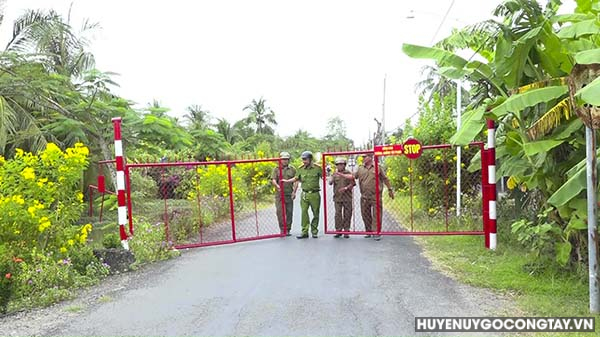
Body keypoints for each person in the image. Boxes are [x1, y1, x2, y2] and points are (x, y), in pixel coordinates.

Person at [340, 153, 394, 241]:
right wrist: (342, 174)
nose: (363, 158)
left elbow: (385, 178)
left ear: (370, 157)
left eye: (365, 157)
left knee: (377, 214)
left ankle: (376, 232)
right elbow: (353, 176)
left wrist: (390, 189)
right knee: (365, 214)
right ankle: (368, 231)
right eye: (363, 157)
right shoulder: (361, 168)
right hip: (364, 195)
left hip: (376, 195)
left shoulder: (377, 167)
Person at [283, 151, 322, 239]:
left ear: (310, 159)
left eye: (305, 159)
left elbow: (324, 177)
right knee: (304, 212)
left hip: (314, 194)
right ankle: (304, 231)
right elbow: (296, 178)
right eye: (303, 159)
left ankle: (314, 231)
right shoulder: (300, 169)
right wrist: (287, 181)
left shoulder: (317, 168)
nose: (304, 161)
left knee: (315, 213)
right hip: (304, 194)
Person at [271, 151, 297, 236]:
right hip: (279, 195)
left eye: (286, 159)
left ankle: (288, 229)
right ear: (280, 160)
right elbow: (273, 179)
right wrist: (277, 185)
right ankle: (282, 229)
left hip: (289, 193)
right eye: (283, 159)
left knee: (289, 212)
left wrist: (294, 192)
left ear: (289, 160)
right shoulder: (276, 169)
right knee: (280, 212)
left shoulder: (292, 169)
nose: (285, 161)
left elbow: (296, 180)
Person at [328, 157, 354, 238]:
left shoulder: (348, 173)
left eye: (341, 165)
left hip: (347, 197)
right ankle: (338, 230)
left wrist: (346, 188)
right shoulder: (334, 174)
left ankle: (346, 230)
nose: (339, 166)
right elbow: (330, 182)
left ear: (344, 165)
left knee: (347, 214)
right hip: (337, 198)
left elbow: (353, 183)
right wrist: (331, 177)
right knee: (338, 214)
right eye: (338, 165)